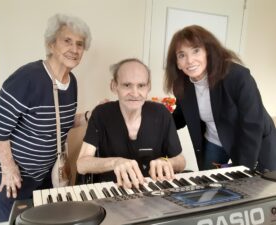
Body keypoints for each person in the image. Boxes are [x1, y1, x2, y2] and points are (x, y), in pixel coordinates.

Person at [0, 14, 92, 222]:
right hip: (13, 173)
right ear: (51, 44)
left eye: (80, 44)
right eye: (67, 41)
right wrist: (9, 169)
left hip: (45, 172)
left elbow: (60, 122)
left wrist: (88, 116)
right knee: (16, 221)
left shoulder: (71, 82)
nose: (75, 49)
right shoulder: (28, 77)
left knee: (45, 219)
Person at [164, 25, 276, 172]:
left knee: (256, 189)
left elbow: (253, 124)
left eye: (196, 51)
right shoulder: (183, 85)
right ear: (177, 63)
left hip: (252, 139)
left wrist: (243, 170)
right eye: (182, 55)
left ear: (208, 52)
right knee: (209, 185)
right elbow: (180, 116)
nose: (189, 60)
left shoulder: (238, 76)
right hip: (215, 140)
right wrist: (156, 122)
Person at [77, 58, 186, 189]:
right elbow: (81, 165)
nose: (135, 93)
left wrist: (167, 162)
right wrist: (115, 162)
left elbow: (181, 161)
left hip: (152, 193)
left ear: (148, 87)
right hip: (109, 192)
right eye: (127, 85)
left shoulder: (161, 113)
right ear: (114, 86)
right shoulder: (101, 114)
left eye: (141, 85)